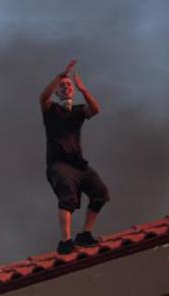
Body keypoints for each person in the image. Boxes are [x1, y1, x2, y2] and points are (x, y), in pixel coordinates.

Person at [40, 59, 110, 254]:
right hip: (59, 164)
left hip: (78, 164)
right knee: (68, 198)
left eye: (68, 86)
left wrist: (84, 90)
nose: (66, 88)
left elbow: (95, 109)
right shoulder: (51, 110)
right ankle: (66, 241)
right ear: (57, 91)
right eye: (63, 86)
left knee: (101, 193)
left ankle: (84, 234)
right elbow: (43, 97)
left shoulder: (78, 111)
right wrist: (61, 76)